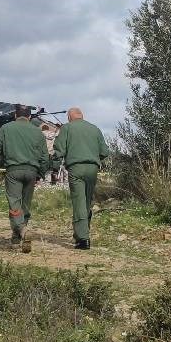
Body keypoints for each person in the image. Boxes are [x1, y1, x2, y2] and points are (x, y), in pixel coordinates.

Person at [0, 104, 49, 253]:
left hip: (13, 171)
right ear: (29, 116)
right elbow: (45, 157)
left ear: (15, 115)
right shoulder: (37, 132)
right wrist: (40, 173)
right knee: (25, 207)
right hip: (32, 171)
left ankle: (21, 230)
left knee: (15, 205)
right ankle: (16, 240)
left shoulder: (6, 129)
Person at [52, 107, 109, 250]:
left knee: (79, 202)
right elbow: (104, 152)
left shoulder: (67, 128)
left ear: (69, 118)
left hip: (76, 168)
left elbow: (59, 150)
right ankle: (84, 231)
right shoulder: (94, 129)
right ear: (82, 116)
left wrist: (54, 167)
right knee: (87, 201)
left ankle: (83, 239)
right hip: (92, 168)